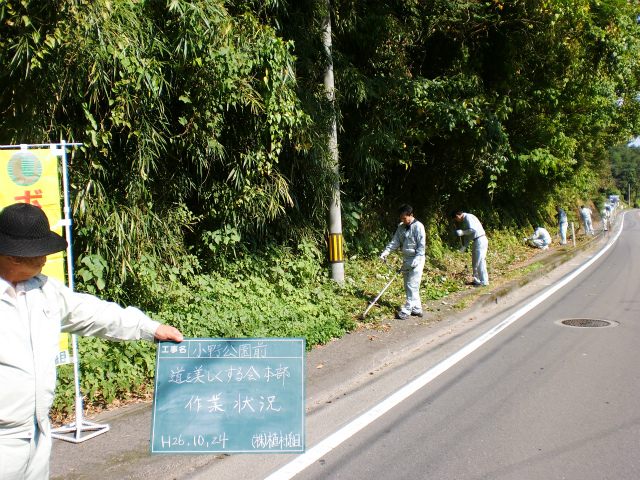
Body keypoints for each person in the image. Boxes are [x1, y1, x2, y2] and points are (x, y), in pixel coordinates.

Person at [0, 202, 184, 479]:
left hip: (37, 432)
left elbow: (93, 314)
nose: (45, 260)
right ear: (15, 257)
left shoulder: (44, 290)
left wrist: (149, 328)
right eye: (39, 255)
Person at [379, 204, 426, 320]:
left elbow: (421, 246)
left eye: (405, 218)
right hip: (406, 259)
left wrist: (417, 260)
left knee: (412, 285)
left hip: (417, 260)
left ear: (411, 215)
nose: (403, 220)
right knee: (408, 285)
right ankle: (417, 308)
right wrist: (385, 253)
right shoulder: (401, 227)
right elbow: (394, 242)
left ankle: (407, 309)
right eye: (401, 218)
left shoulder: (418, 227)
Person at [451, 210, 489, 286]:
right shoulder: (465, 220)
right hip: (475, 241)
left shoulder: (468, 217)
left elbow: (472, 229)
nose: (457, 221)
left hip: (480, 240)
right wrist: (464, 246)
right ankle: (476, 280)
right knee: (475, 262)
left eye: (456, 219)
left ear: (458, 216)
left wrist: (462, 232)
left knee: (480, 261)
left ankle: (484, 281)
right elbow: (468, 236)